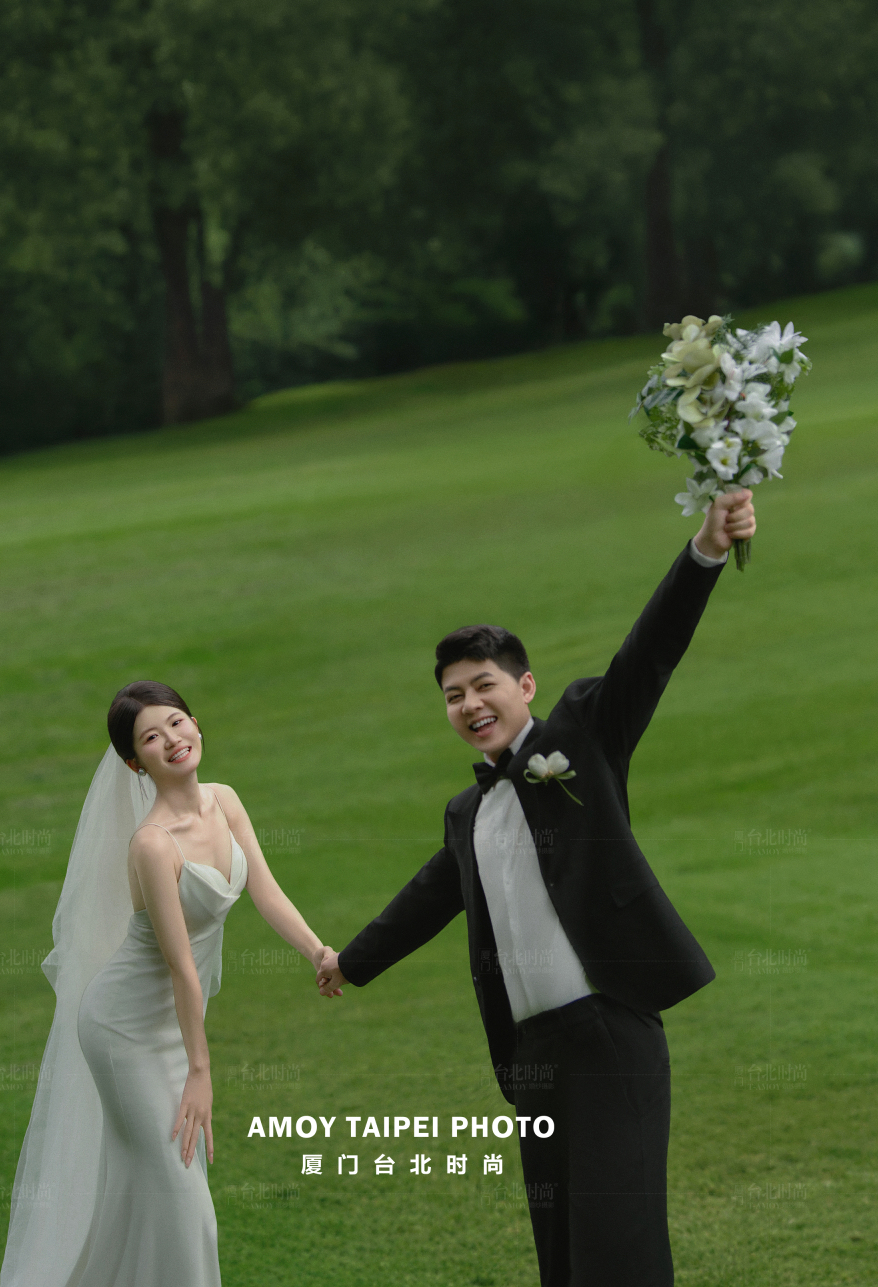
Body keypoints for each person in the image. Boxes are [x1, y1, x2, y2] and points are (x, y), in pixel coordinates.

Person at [317, 491, 757, 1287]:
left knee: (617, 1253)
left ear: (524, 685)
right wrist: (349, 962)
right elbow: (427, 898)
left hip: (608, 1034)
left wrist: (706, 551)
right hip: (532, 1058)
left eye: (482, 685)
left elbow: (650, 652)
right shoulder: (468, 813)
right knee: (562, 1254)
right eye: (453, 695)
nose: (469, 704)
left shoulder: (583, 734)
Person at [2, 680, 330, 1287]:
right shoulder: (152, 845)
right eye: (151, 737)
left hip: (174, 1025)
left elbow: (265, 890)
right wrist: (200, 1072)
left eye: (177, 722)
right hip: (124, 1029)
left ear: (196, 724)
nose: (172, 739)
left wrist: (317, 952)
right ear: (135, 764)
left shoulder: (225, 801)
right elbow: (181, 965)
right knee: (182, 1199)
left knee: (153, 1191)